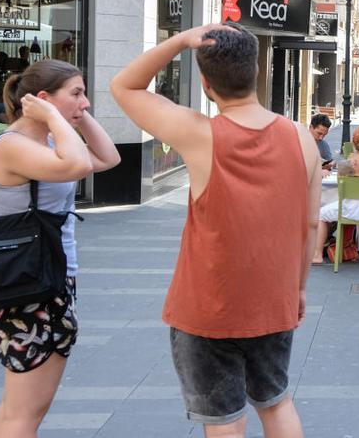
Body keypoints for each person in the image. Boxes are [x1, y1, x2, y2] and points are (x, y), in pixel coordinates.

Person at [110, 23, 319, 438]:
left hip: (209, 308)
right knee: (276, 402)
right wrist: (296, 289)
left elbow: (125, 87)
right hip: (273, 300)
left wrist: (180, 40)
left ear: (206, 85)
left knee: (225, 420)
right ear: (256, 71)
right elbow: (310, 225)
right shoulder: (300, 137)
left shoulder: (200, 133)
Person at [0, 60, 120, 437]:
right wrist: (55, 117)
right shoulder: (13, 145)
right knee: (23, 412)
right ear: (43, 99)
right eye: (76, 93)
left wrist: (73, 116)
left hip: (49, 279)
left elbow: (109, 158)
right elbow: (77, 164)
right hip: (26, 287)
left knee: (22, 409)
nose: (86, 102)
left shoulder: (46, 142)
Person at [313, 127, 359, 264]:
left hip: (350, 210)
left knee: (321, 214)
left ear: (354, 143)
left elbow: (340, 182)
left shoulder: (345, 165)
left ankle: (317, 255)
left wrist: (350, 163)